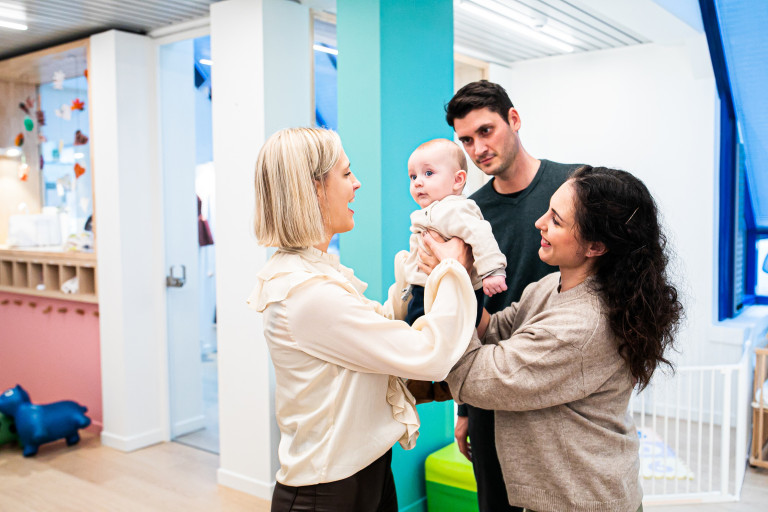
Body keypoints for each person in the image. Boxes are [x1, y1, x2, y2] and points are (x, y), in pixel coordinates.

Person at [247, 127, 478, 512]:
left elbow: (372, 332)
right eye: (345, 173)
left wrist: (412, 276)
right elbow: (430, 355)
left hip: (367, 472)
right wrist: (453, 268)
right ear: (314, 189)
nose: (356, 183)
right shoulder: (307, 292)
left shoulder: (315, 271)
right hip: (328, 492)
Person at [436, 166, 683, 512]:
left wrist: (451, 276)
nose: (540, 223)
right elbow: (492, 330)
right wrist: (470, 277)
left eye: (556, 220)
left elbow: (477, 377)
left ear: (595, 246)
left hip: (583, 502)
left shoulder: (581, 326)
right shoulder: (550, 286)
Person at [445, 79, 581, 512]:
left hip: (559, 380)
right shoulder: (469, 214)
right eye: (467, 140)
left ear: (514, 119)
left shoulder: (574, 187)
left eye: (486, 131)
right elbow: (467, 306)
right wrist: (464, 409)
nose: (478, 148)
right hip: (491, 383)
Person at [403, 138, 507, 328]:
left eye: (428, 173)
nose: (417, 182)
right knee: (418, 328)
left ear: (457, 180)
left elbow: (480, 234)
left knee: (424, 331)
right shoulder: (430, 211)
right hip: (427, 289)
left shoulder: (456, 208)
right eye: (413, 176)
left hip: (453, 291)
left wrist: (492, 271)